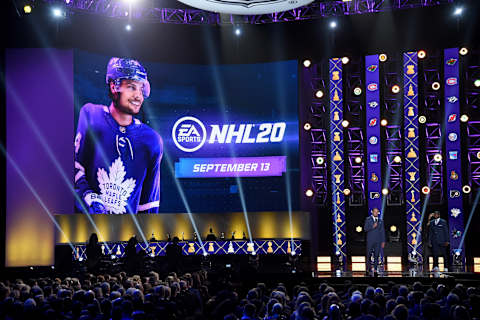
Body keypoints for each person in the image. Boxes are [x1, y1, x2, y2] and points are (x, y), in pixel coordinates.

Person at [74, 57, 163, 214]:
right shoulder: (91, 114)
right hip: (84, 228)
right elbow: (75, 168)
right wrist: (89, 198)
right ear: (114, 86)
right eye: (131, 87)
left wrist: (146, 236)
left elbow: (149, 203)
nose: (138, 96)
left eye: (141, 89)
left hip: (126, 235)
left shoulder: (152, 140)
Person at [364, 207, 385, 276]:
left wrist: (383, 241)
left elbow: (382, 232)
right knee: (369, 255)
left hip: (378, 241)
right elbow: (365, 229)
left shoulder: (380, 221)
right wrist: (372, 226)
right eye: (375, 211)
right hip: (370, 240)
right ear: (372, 212)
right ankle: (368, 268)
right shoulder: (368, 219)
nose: (376, 213)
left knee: (376, 256)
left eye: (377, 212)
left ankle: (375, 269)